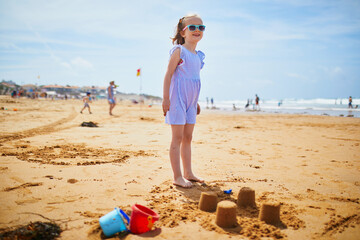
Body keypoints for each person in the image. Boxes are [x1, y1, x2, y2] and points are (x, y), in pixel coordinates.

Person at [162, 14, 206, 188]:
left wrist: (196, 102)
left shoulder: (198, 56)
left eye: (201, 28)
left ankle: (188, 172)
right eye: (192, 27)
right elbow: (168, 75)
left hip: (191, 101)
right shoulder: (179, 51)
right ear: (183, 32)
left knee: (188, 137)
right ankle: (177, 176)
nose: (197, 30)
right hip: (177, 99)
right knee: (177, 137)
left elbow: (193, 80)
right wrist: (166, 98)